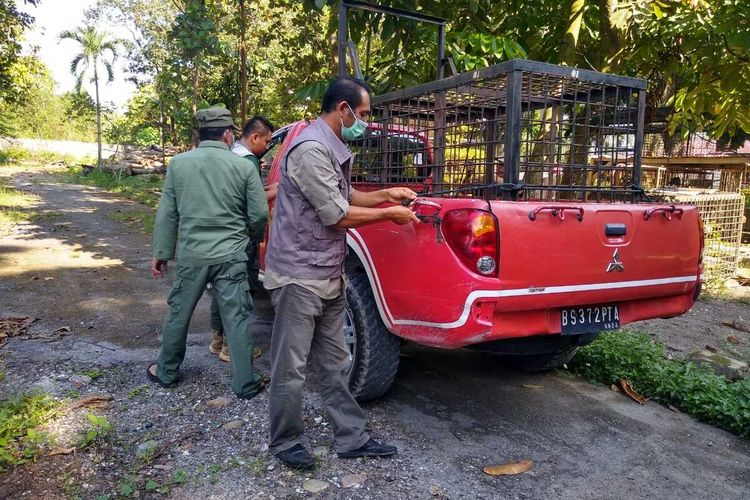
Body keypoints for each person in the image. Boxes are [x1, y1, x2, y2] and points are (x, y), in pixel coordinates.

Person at [264, 77, 420, 469]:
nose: (364, 123)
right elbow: (335, 215)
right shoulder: (310, 149)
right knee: (291, 366)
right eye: (363, 115)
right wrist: (389, 214)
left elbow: (346, 196)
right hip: (299, 276)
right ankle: (285, 441)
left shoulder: (332, 147)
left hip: (328, 274)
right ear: (342, 110)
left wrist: (388, 193)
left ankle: (351, 437)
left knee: (335, 363)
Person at [147, 106, 268, 400]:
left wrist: (161, 252)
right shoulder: (243, 166)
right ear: (228, 134)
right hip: (231, 256)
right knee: (237, 318)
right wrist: (250, 238)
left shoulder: (179, 164)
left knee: (179, 313)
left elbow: (167, 214)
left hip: (192, 255)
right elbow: (259, 213)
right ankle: (245, 384)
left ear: (200, 135)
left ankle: (166, 372)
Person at [209, 115, 277, 362]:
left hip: (220, 233)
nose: (268, 147)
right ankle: (232, 348)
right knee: (240, 291)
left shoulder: (228, 155)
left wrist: (270, 190)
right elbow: (254, 205)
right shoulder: (248, 161)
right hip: (241, 235)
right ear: (254, 137)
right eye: (267, 141)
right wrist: (258, 234)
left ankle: (217, 340)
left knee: (221, 288)